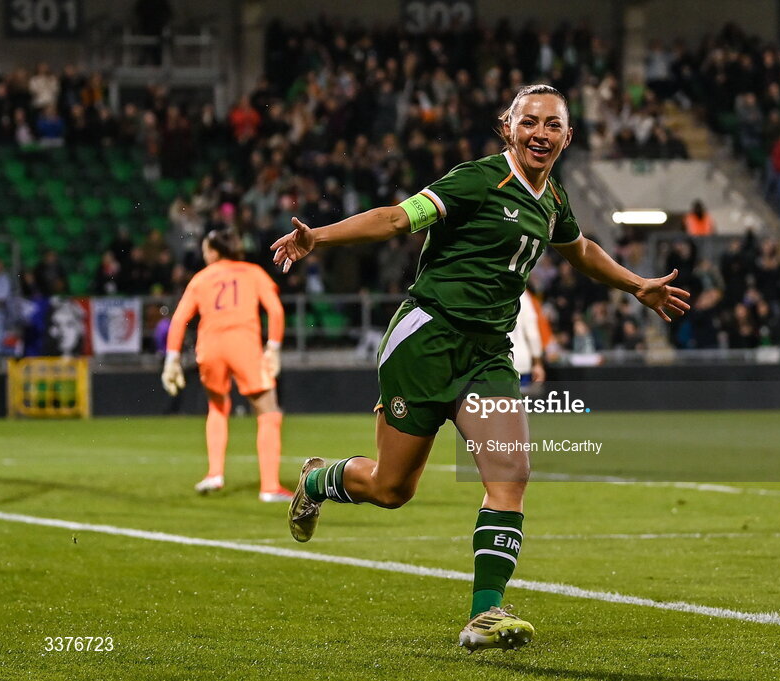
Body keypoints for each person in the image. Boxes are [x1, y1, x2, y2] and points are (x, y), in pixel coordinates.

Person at [271, 84, 690, 652]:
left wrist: (637, 284)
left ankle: (485, 613)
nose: (540, 133)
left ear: (568, 137)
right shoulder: (475, 179)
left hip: (489, 353)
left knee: (510, 474)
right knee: (393, 489)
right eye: (530, 122)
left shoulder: (553, 200)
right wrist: (318, 236)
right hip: (426, 341)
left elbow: (581, 248)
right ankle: (319, 478)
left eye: (553, 125)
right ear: (508, 127)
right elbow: (398, 219)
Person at [161, 229, 292, 503]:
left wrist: (171, 358)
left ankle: (215, 473)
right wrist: (274, 347)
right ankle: (269, 486)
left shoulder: (201, 278)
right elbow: (276, 310)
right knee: (268, 411)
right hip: (243, 343)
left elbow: (179, 319)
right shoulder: (252, 272)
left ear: (213, 251)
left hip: (209, 346)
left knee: (217, 407)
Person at [508, 287, 545, 391]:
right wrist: (537, 363)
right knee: (521, 404)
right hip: (520, 361)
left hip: (494, 362)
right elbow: (532, 333)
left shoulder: (487, 290)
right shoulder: (522, 295)